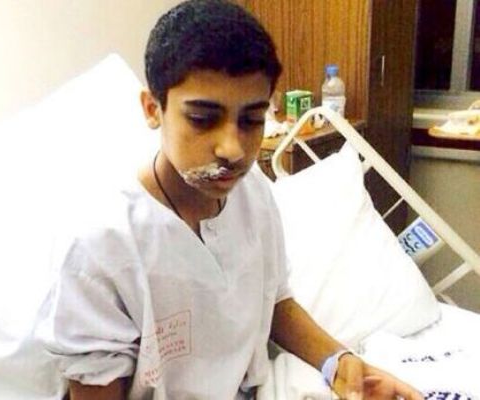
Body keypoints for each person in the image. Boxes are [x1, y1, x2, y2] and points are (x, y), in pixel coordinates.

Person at [38, 1, 424, 399]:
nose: (233, 149)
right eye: (203, 119)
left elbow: (272, 300)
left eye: (251, 120)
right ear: (153, 109)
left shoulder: (253, 193)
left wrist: (338, 363)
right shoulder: (100, 245)